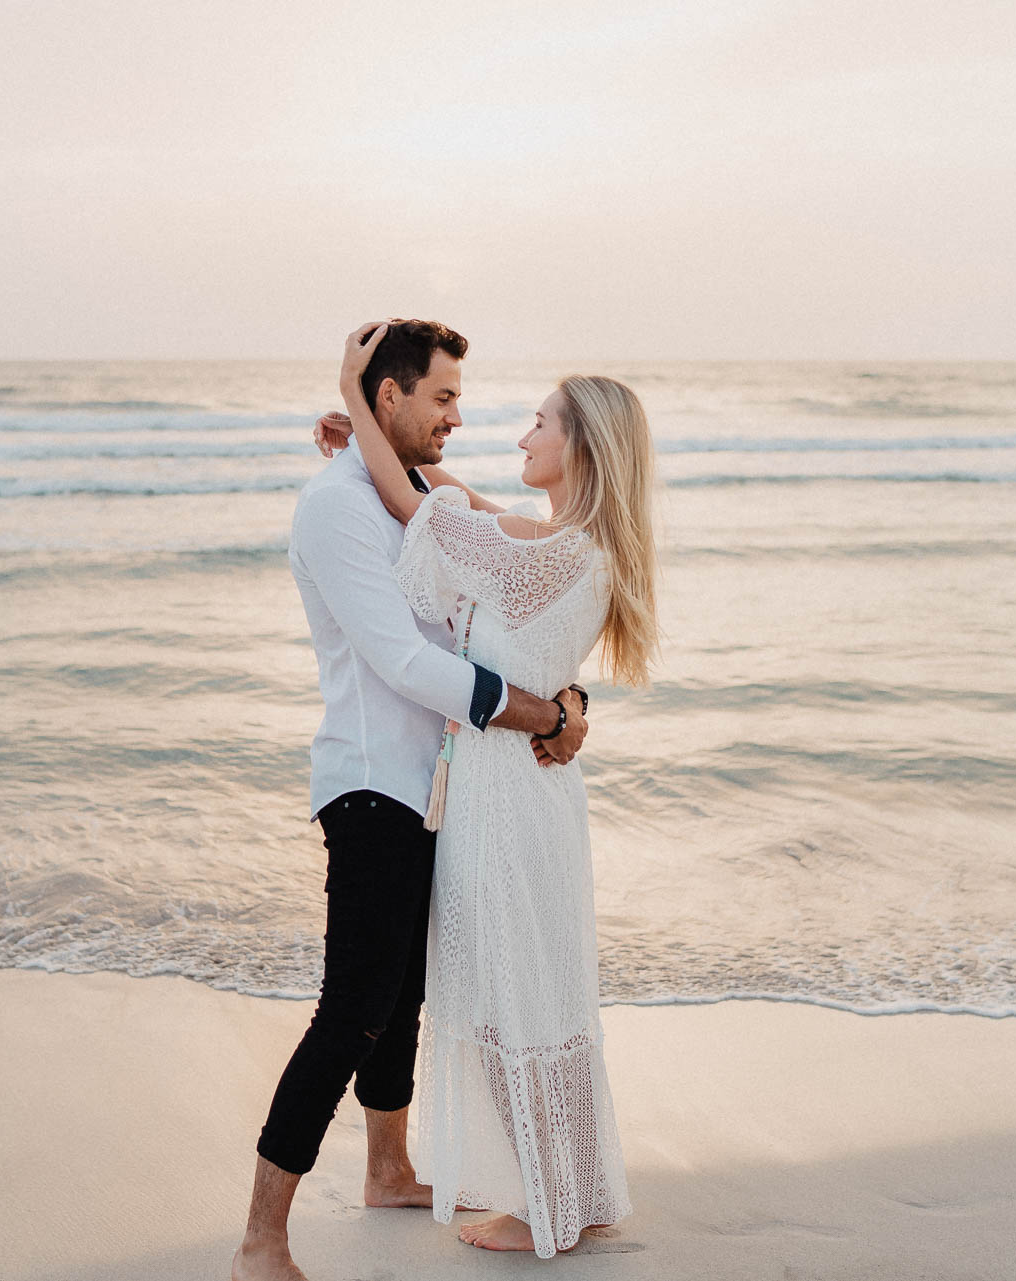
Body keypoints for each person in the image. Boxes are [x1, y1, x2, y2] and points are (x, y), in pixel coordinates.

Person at [231, 319, 593, 1281]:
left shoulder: (409, 495)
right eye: (440, 397)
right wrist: (536, 716)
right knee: (351, 1007)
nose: (457, 416)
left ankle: (389, 1170)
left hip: (435, 788)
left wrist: (566, 700)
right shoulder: (337, 509)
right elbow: (401, 659)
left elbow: (497, 615)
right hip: (370, 785)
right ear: (387, 396)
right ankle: (261, 1239)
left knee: (408, 995)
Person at [315, 321, 658, 1258]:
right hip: (534, 797)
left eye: (540, 422)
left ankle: (544, 1209)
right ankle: (576, 1193)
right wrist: (382, 441)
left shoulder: (540, 551)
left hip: (504, 797)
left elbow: (422, 507)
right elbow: (450, 501)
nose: (520, 436)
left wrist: (358, 396)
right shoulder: (571, 549)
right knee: (546, 998)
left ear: (581, 444)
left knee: (512, 999)